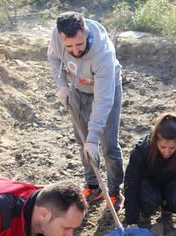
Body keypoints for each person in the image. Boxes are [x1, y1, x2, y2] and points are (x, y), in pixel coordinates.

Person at [47, 11, 124, 210]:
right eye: (69, 46)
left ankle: (114, 192)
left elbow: (103, 100)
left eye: (79, 45)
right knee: (83, 142)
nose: (75, 51)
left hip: (106, 91)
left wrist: (93, 138)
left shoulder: (103, 54)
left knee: (107, 144)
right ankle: (93, 186)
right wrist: (61, 84)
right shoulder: (57, 35)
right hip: (78, 89)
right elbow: (54, 58)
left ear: (85, 31)